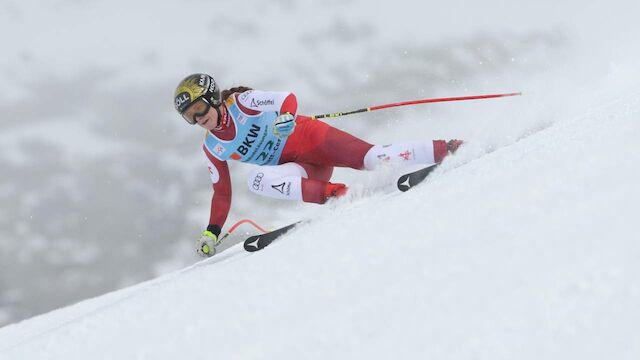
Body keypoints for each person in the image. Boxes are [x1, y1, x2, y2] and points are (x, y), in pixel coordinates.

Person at [173, 73, 463, 257]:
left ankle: (447, 148)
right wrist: (211, 231)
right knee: (255, 180)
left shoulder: (242, 102)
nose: (198, 119)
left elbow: (287, 98)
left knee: (372, 158)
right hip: (301, 168)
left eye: (199, 109)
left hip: (313, 139)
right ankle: (336, 194)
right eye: (190, 117)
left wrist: (285, 117)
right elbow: (222, 193)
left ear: (213, 98)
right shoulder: (213, 147)